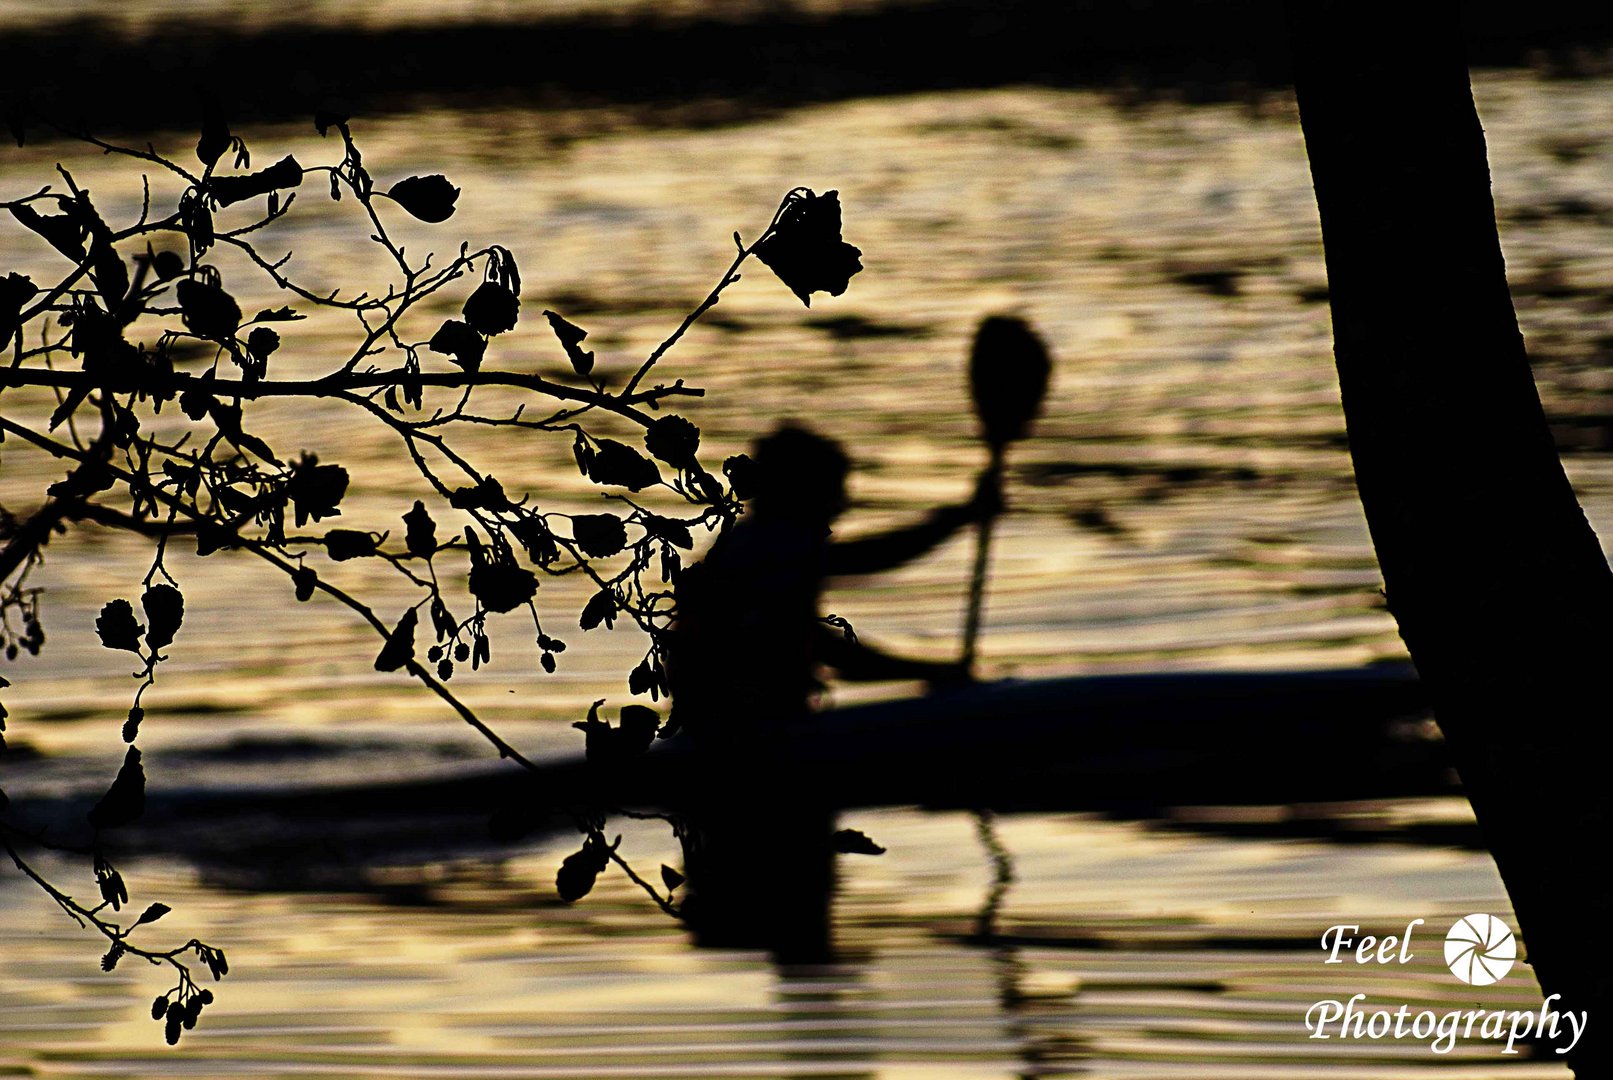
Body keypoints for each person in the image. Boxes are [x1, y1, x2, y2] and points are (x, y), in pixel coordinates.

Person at [667, 423, 999, 959]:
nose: (847, 499)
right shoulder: (770, 545)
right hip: (747, 738)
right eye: (836, 486)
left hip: (749, 733)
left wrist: (929, 671)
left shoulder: (758, 548)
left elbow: (823, 648)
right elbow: (864, 580)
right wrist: (958, 520)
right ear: (800, 490)